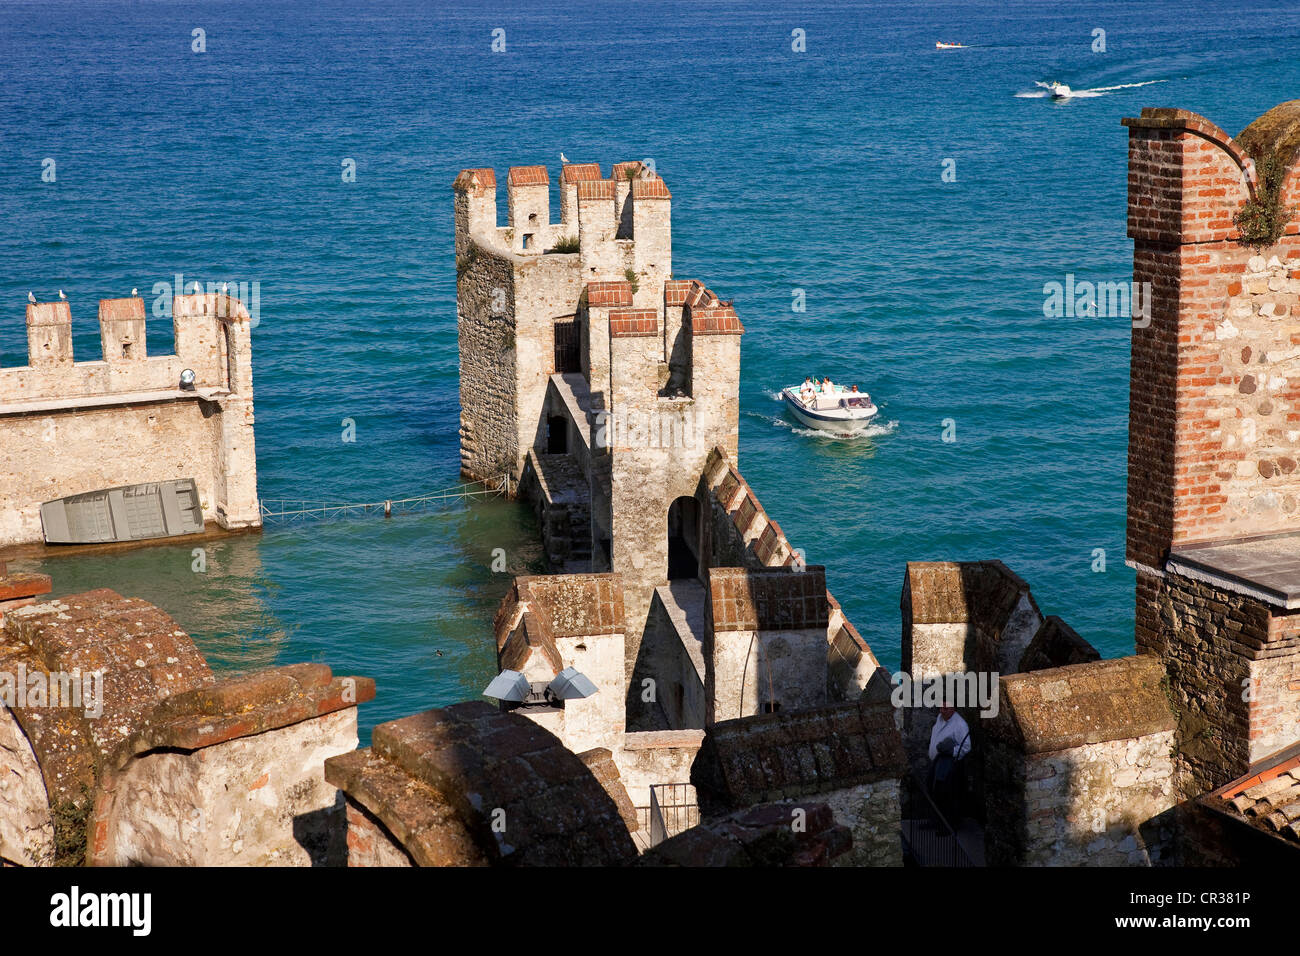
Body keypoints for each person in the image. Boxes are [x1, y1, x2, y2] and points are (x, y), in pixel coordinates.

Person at [928, 703, 971, 822]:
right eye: (940, 708)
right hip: (937, 762)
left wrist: (951, 751)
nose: (942, 711)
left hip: (950, 765)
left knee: (948, 795)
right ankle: (935, 821)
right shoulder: (940, 718)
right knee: (934, 792)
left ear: (953, 709)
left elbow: (966, 747)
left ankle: (948, 826)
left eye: (945, 708)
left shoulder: (960, 725)